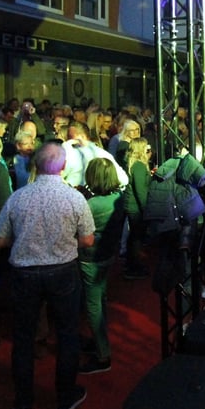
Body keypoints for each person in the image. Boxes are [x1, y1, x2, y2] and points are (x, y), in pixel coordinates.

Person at [0, 142, 94, 409]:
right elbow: (87, 240)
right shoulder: (74, 198)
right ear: (63, 167)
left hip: (24, 273)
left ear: (35, 165)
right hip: (62, 271)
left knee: (24, 339)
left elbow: (0, 239)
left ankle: (24, 406)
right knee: (67, 333)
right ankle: (65, 398)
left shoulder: (18, 197)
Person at [78, 158, 125, 375]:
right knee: (101, 299)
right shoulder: (119, 197)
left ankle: (102, 354)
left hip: (90, 257)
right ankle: (100, 341)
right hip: (108, 254)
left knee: (92, 305)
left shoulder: (89, 204)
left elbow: (79, 232)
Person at [121, 137, 153, 280]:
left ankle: (131, 264)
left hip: (132, 205)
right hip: (136, 207)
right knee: (136, 238)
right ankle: (134, 267)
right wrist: (147, 210)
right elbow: (141, 190)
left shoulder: (133, 164)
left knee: (134, 236)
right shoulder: (139, 166)